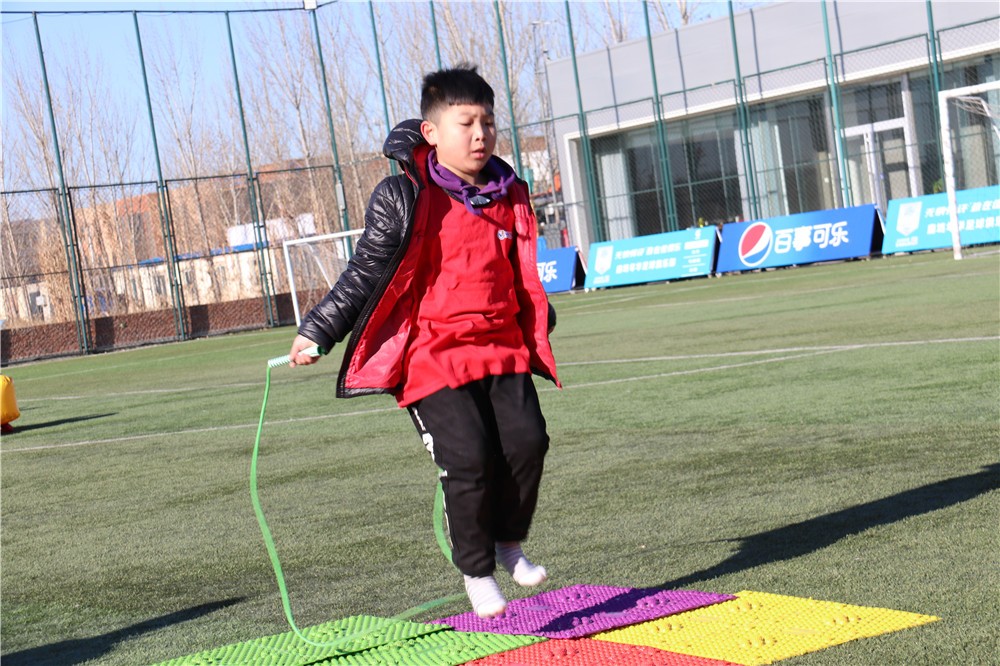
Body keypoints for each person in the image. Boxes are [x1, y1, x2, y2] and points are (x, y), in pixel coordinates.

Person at [287, 65, 560, 619]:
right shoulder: (405, 195)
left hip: (500, 347)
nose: (481, 134)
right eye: (467, 123)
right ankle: (477, 571)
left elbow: (518, 270)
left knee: (529, 442)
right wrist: (318, 330)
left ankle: (508, 541)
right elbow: (364, 272)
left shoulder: (510, 192)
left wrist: (539, 315)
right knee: (469, 458)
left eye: (488, 122)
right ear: (432, 132)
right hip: (431, 356)